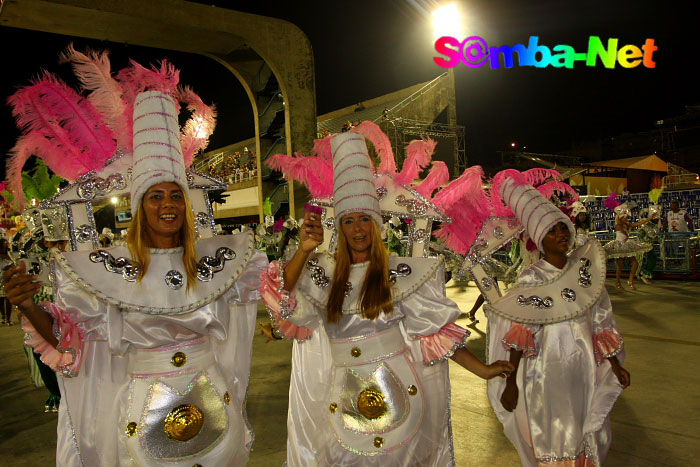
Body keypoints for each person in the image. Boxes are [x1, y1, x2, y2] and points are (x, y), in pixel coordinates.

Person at [3, 90, 266, 465]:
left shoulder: (217, 261)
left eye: (176, 195)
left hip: (214, 407)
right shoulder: (104, 269)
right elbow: (67, 341)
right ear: (139, 206)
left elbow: (276, 294)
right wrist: (27, 304)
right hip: (143, 418)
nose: (168, 205)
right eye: (155, 196)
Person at [261, 131, 513, 466]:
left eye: (365, 219)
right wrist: (305, 251)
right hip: (345, 398)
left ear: (377, 225)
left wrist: (482, 370)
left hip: (399, 394)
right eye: (348, 221)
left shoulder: (401, 275)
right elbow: (284, 302)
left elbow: (434, 333)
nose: (358, 228)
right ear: (340, 226)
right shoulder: (323, 277)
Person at [484, 174, 630, 467]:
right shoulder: (532, 277)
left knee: (581, 426)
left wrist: (615, 365)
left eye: (564, 228)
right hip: (545, 372)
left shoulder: (584, 273)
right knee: (553, 429)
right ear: (540, 239)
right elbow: (520, 332)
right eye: (553, 231)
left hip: (582, 368)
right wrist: (511, 383)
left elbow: (600, 320)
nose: (562, 234)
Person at [603, 203, 656, 289]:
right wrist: (627, 235)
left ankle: (630, 280)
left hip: (627, 244)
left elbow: (639, 223)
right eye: (625, 217)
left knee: (635, 263)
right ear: (620, 218)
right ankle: (617, 282)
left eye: (627, 217)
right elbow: (623, 232)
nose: (626, 218)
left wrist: (649, 218)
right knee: (620, 265)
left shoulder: (627, 224)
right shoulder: (618, 225)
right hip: (619, 245)